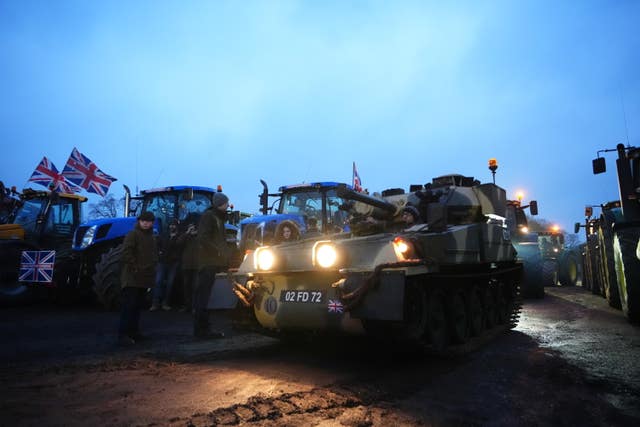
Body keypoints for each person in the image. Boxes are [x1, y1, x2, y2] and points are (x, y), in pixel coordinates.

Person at [193, 192, 231, 338]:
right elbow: (203, 238)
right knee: (203, 296)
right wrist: (218, 253)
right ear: (220, 203)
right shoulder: (209, 217)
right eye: (226, 203)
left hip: (214, 262)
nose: (228, 205)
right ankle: (201, 330)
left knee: (209, 296)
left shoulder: (218, 218)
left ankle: (204, 328)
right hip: (208, 263)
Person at [118, 211, 158, 346]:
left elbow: (152, 256)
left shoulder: (152, 237)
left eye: (149, 221)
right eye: (143, 221)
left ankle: (134, 332)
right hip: (132, 277)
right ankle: (123, 335)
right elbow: (126, 253)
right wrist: (135, 267)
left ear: (152, 223)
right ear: (139, 221)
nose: (146, 223)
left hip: (144, 278)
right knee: (128, 307)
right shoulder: (133, 234)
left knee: (137, 307)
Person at [150, 220, 182, 311]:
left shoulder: (180, 237)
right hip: (162, 262)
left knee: (170, 284)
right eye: (171, 225)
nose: (172, 227)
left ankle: (165, 303)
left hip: (173, 263)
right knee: (158, 281)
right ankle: (155, 303)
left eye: (174, 225)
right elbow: (159, 245)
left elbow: (178, 247)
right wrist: (159, 253)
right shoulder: (164, 235)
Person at [178, 221, 199, 313]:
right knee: (186, 287)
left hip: (197, 265)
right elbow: (178, 243)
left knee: (195, 287)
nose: (192, 229)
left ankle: (195, 306)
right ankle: (187, 305)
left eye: (193, 227)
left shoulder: (200, 236)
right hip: (186, 265)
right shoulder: (186, 236)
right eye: (190, 227)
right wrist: (187, 233)